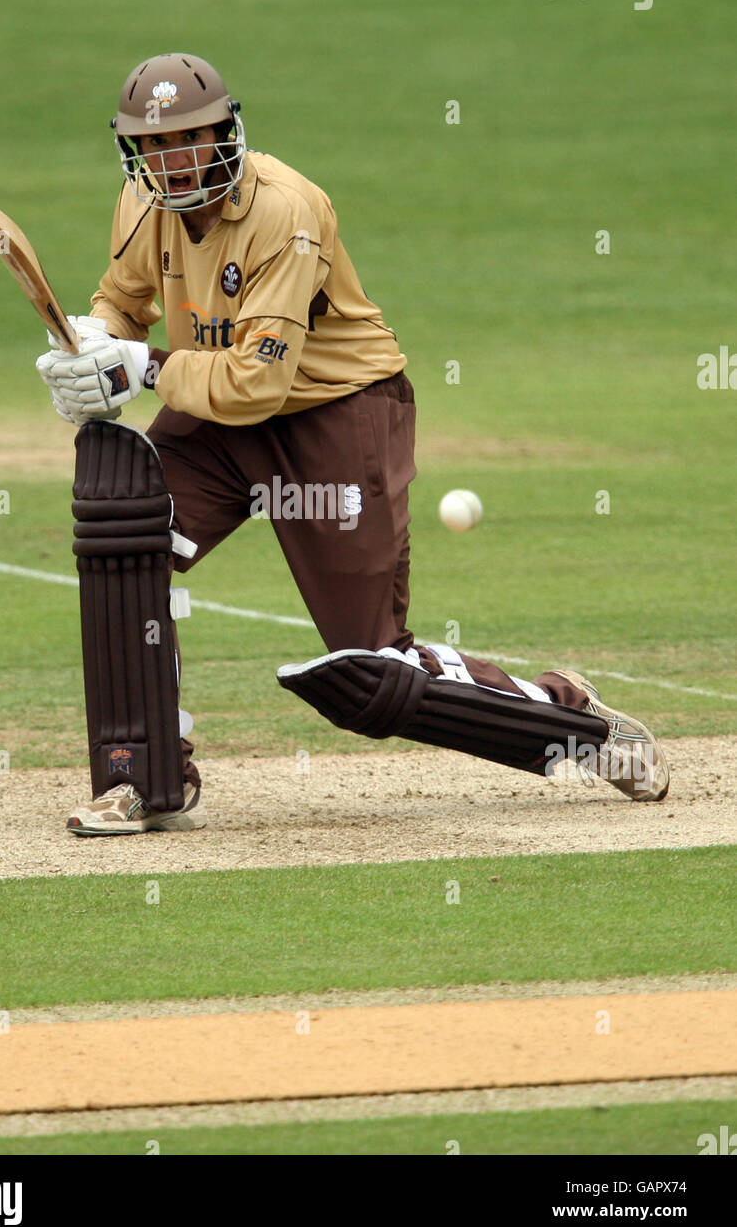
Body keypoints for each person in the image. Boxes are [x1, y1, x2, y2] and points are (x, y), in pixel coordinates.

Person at [37, 52, 669, 837]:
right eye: (156, 145)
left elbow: (258, 384)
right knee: (124, 540)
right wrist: (93, 342)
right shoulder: (142, 202)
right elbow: (123, 299)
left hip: (333, 417)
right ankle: (145, 774)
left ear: (225, 131)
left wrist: (143, 366)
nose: (176, 160)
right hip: (213, 422)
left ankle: (569, 717)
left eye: (193, 139)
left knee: (373, 672)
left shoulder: (286, 211)